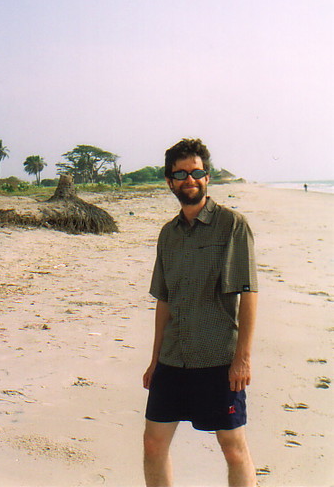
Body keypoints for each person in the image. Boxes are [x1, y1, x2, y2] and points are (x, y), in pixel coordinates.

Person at [142, 138, 258, 487]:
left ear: (207, 177)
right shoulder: (168, 234)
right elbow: (164, 300)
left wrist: (243, 359)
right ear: (169, 181)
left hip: (218, 359)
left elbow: (248, 293)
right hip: (173, 358)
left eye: (196, 172)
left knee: (233, 447)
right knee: (153, 444)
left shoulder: (232, 225)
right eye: (180, 173)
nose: (189, 179)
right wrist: (154, 359)